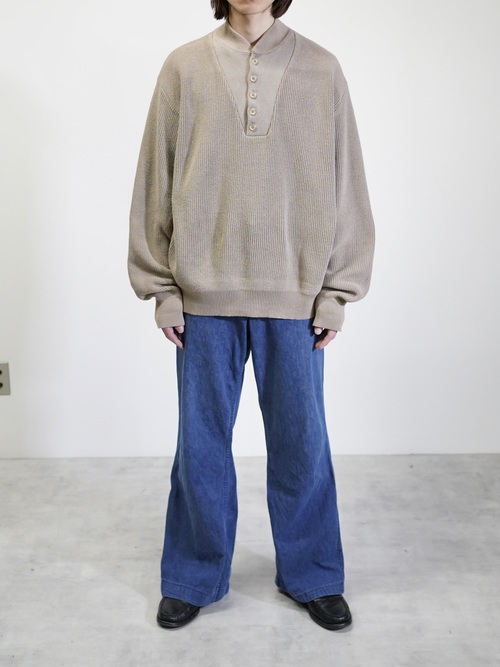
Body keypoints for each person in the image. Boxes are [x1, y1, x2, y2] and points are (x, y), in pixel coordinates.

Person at [128, 0, 375, 631]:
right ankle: (192, 576)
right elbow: (156, 179)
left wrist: (336, 291)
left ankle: (314, 574)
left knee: (303, 446)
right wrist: (162, 288)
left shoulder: (322, 69)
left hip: (294, 296)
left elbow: (346, 183)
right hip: (202, 296)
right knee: (200, 447)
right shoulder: (183, 67)